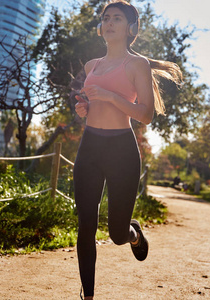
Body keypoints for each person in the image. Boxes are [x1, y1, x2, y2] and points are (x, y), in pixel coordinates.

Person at [73, 1, 182, 299]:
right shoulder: (91, 66)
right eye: (106, 18)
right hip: (90, 147)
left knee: (116, 234)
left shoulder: (137, 64)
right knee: (86, 224)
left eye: (117, 19)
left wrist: (108, 96)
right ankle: (89, 295)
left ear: (130, 28)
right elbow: (89, 104)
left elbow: (144, 115)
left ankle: (133, 234)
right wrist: (84, 108)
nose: (109, 23)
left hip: (122, 150)